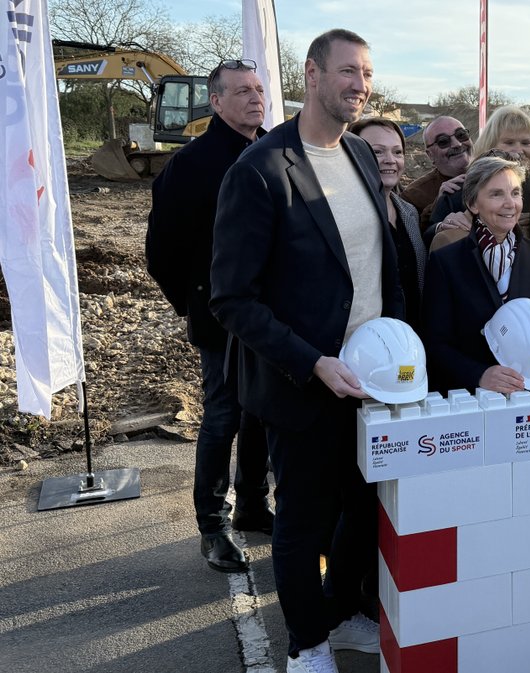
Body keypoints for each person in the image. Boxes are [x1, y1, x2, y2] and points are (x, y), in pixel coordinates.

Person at [210, 29, 402, 672]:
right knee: (302, 525)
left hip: (373, 381)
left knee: (367, 512)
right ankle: (307, 646)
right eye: (348, 71)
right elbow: (232, 299)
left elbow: (382, 267)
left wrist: (400, 346)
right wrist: (312, 362)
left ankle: (340, 613)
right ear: (312, 75)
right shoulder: (260, 169)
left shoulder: (361, 154)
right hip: (303, 386)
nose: (360, 85)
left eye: (367, 73)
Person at [145, 58, 272, 574]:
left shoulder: (275, 150)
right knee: (223, 416)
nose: (255, 98)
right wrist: (197, 304)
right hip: (221, 319)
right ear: (216, 102)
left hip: (271, 316)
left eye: (258, 89)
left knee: (261, 413)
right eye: (242, 91)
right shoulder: (191, 164)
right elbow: (162, 252)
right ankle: (213, 527)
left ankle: (254, 506)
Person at [422, 157, 530, 394]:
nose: (510, 204)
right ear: (473, 204)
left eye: (515, 193)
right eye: (496, 194)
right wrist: (479, 374)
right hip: (473, 397)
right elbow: (436, 343)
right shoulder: (447, 262)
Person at [349, 117, 427, 327]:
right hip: (364, 338)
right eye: (377, 152)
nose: (390, 160)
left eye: (397, 152)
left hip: (409, 337)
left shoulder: (409, 212)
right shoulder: (343, 216)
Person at [428, 105, 530, 239]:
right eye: (509, 142)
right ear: (490, 144)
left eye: (526, 143)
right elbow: (427, 238)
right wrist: (443, 226)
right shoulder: (460, 189)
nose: (518, 150)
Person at [401, 115, 472, 229]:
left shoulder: (493, 174)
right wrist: (438, 205)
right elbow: (414, 236)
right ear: (430, 155)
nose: (457, 144)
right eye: (443, 141)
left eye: (461, 135)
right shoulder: (414, 196)